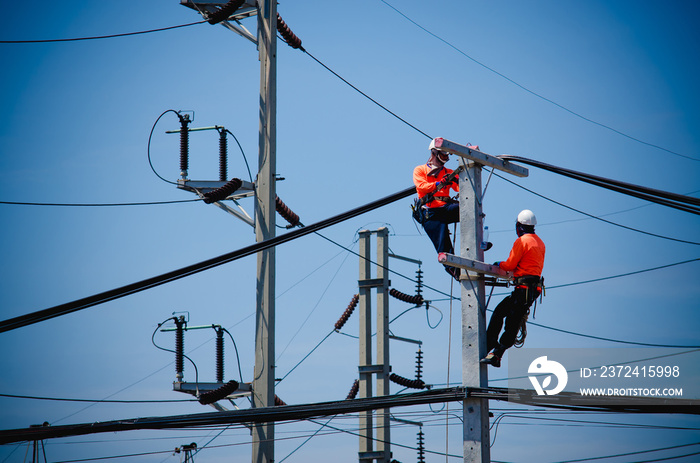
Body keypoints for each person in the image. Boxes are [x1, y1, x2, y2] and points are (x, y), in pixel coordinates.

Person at [481, 209, 545, 367]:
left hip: (523, 289)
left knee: (500, 313)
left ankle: (490, 347)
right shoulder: (540, 243)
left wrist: (498, 265)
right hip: (532, 291)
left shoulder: (522, 241)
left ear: (519, 226)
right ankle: (497, 353)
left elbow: (510, 265)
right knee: (513, 322)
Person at [412, 139, 464, 280]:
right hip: (431, 214)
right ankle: (457, 274)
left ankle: (479, 242)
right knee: (444, 248)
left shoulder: (449, 172)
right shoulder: (420, 170)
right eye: (443, 154)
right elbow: (421, 187)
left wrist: (459, 180)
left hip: (446, 209)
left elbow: (462, 190)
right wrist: (438, 183)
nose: (446, 157)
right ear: (434, 152)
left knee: (469, 211)